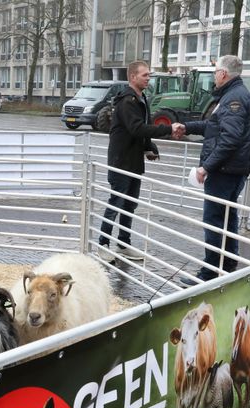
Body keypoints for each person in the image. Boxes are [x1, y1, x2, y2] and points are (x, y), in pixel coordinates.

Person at [171, 55, 250, 283]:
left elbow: (230, 138)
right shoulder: (232, 95)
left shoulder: (233, 98)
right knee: (227, 218)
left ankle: (210, 272)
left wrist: (207, 167)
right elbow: (214, 126)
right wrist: (188, 126)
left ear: (223, 74)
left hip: (225, 171)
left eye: (215, 71)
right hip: (231, 169)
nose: (214, 75)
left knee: (215, 220)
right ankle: (226, 265)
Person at [101, 60, 172, 261]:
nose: (148, 78)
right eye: (145, 75)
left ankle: (123, 244)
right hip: (121, 161)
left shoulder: (141, 99)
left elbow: (142, 129)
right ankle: (103, 243)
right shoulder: (127, 101)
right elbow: (137, 128)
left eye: (149, 75)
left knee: (130, 204)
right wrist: (168, 128)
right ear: (133, 77)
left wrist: (149, 147)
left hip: (133, 162)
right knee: (116, 202)